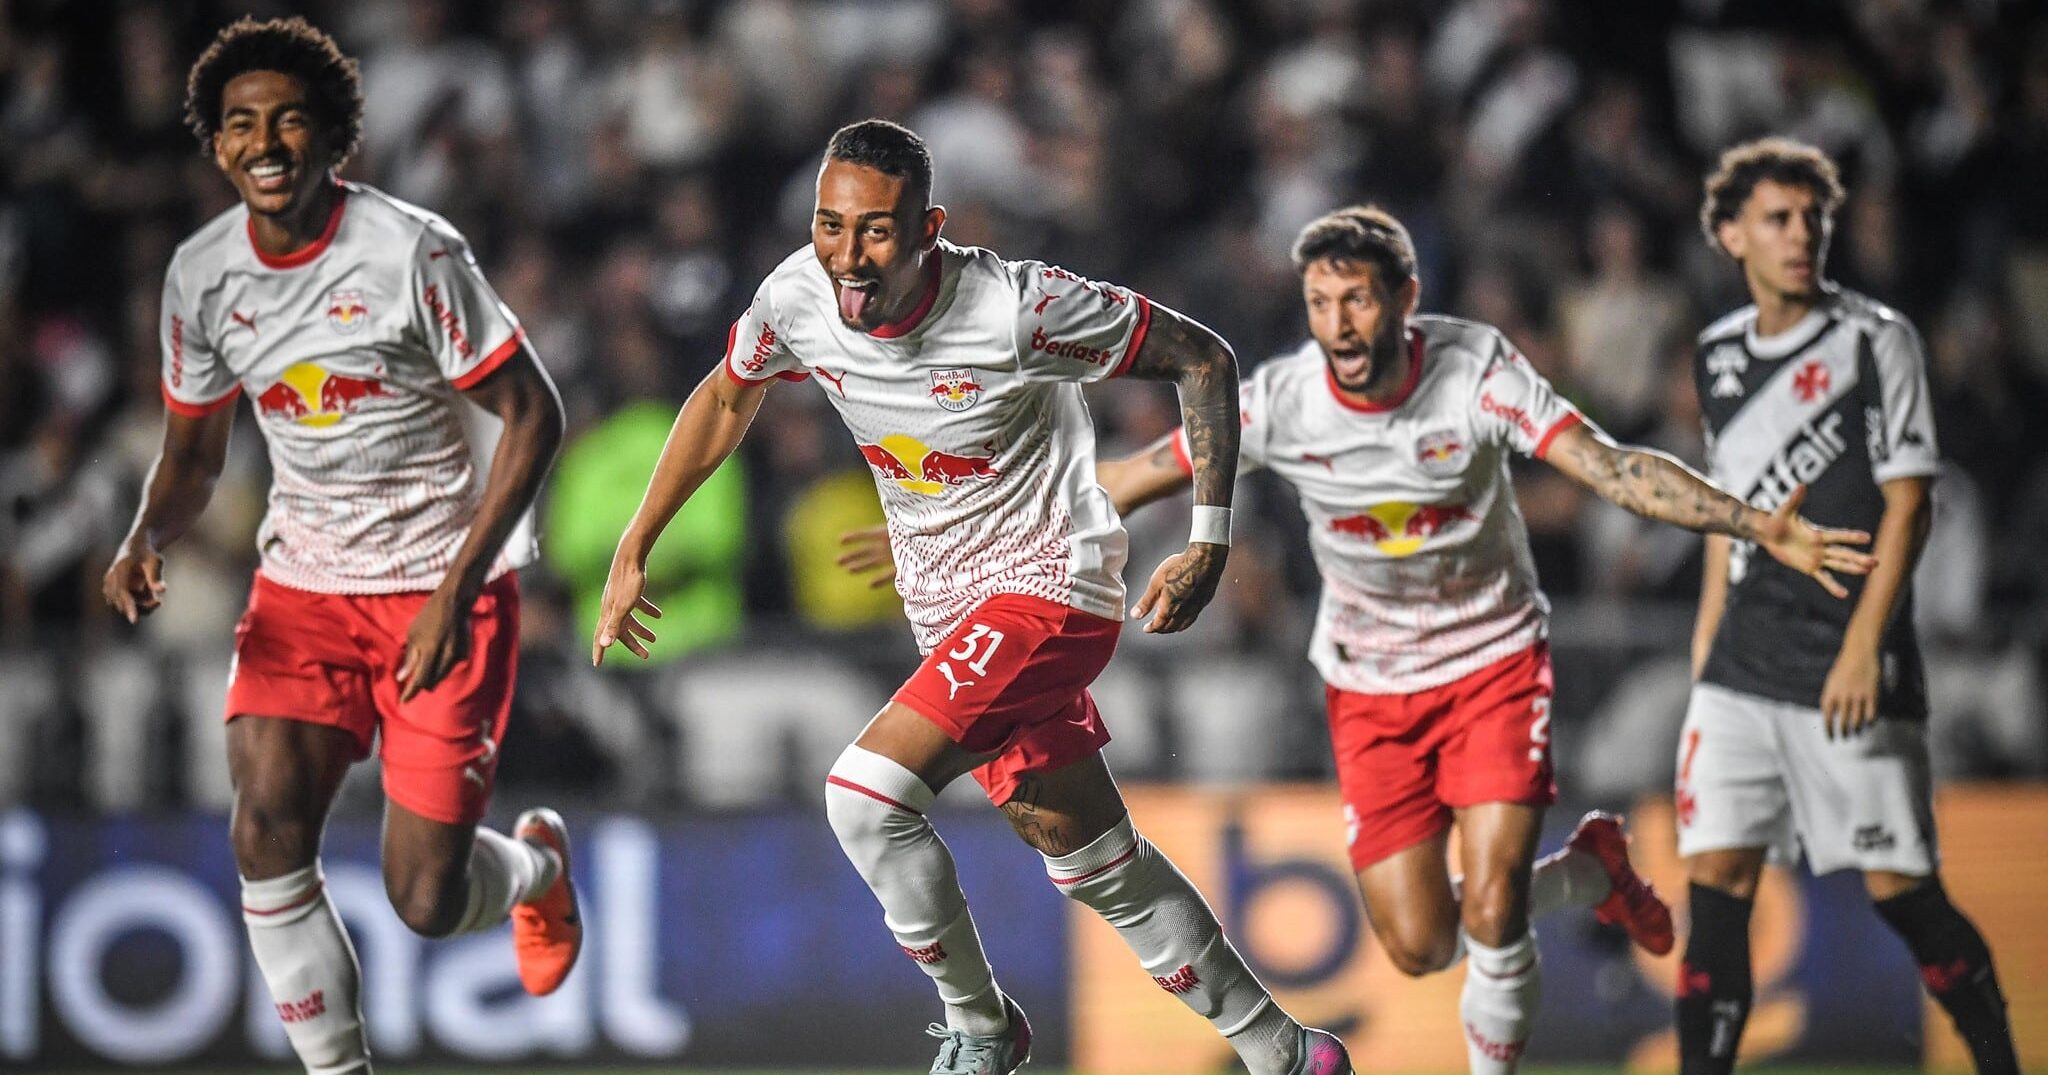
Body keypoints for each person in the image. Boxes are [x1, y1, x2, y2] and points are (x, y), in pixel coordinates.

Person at [846, 203, 1875, 1075]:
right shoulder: (1288, 401)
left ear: (1403, 299)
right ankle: (1594, 870)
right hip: (1368, 684)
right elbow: (1126, 473)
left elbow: (1609, 467)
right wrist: (979, 537)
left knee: (1492, 912)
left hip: (1489, 663)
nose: (1340, 321)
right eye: (1322, 303)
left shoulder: (1474, 373)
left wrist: (1757, 522)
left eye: (1360, 298)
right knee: (1425, 942)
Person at [593, 119, 1351, 1075]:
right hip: (947, 613)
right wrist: (635, 542)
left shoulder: (1018, 308)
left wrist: (1207, 542)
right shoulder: (796, 295)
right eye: (831, 225)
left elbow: (1204, 360)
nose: (848, 256)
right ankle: (1285, 1050)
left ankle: (984, 1028)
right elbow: (724, 396)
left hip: (1051, 591)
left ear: (929, 228)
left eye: (876, 231)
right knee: (1085, 854)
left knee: (864, 797)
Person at [101, 18, 579, 1075]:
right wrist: (146, 532)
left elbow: (533, 412)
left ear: (332, 138)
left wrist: (459, 587)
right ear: (216, 144)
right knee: (264, 823)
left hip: (439, 590)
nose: (264, 142)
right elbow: (192, 455)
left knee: (423, 897)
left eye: (288, 121)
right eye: (240, 124)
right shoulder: (202, 277)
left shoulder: (412, 251)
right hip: (304, 587)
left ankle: (537, 868)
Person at [1676, 137, 2019, 1075]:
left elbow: (1911, 498)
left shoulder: (1877, 339)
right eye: (1779, 219)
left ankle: (2001, 1063)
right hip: (1742, 667)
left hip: (1848, 663)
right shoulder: (1715, 354)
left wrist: (1865, 647)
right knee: (1715, 882)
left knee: (1905, 891)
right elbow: (1724, 511)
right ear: (1731, 234)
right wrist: (1708, 647)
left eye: (1811, 219)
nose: (1800, 236)